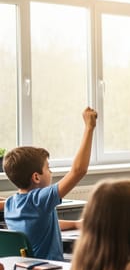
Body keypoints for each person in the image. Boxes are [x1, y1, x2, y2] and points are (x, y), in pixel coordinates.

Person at [2, 107, 97, 261]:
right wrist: (89, 128)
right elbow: (78, 170)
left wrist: (74, 224)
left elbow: (41, 224)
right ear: (36, 177)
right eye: (48, 168)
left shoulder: (11, 204)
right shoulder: (39, 199)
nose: (51, 172)